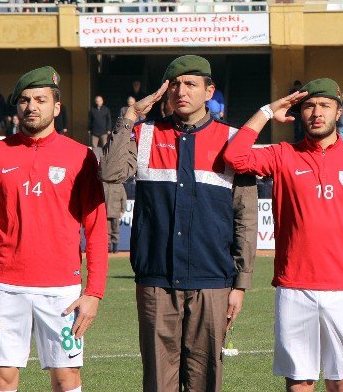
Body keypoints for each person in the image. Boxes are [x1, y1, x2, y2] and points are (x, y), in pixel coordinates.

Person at [99, 55, 257, 392]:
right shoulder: (143, 133)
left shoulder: (233, 139)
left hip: (212, 282)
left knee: (205, 382)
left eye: (190, 84)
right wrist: (130, 115)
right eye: (174, 84)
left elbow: (245, 217)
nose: (180, 91)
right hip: (156, 281)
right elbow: (110, 173)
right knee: (158, 382)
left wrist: (240, 284)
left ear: (208, 90)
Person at [224, 78, 343, 392]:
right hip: (293, 287)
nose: (316, 112)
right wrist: (268, 111)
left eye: (325, 105)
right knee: (299, 383)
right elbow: (234, 157)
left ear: (340, 111)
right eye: (309, 105)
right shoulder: (283, 155)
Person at [0, 66, 108, 392]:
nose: (32, 106)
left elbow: (96, 228)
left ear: (56, 107)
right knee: (2, 377)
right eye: (25, 100)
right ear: (16, 107)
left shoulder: (82, 157)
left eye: (41, 99)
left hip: (63, 293)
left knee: (66, 378)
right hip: (6, 289)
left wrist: (94, 292)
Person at [103, 182, 127, 253]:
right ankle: (108, 248)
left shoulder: (120, 185)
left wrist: (122, 210)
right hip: (105, 212)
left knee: (116, 230)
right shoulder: (104, 184)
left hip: (116, 212)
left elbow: (124, 199)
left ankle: (115, 248)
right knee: (106, 231)